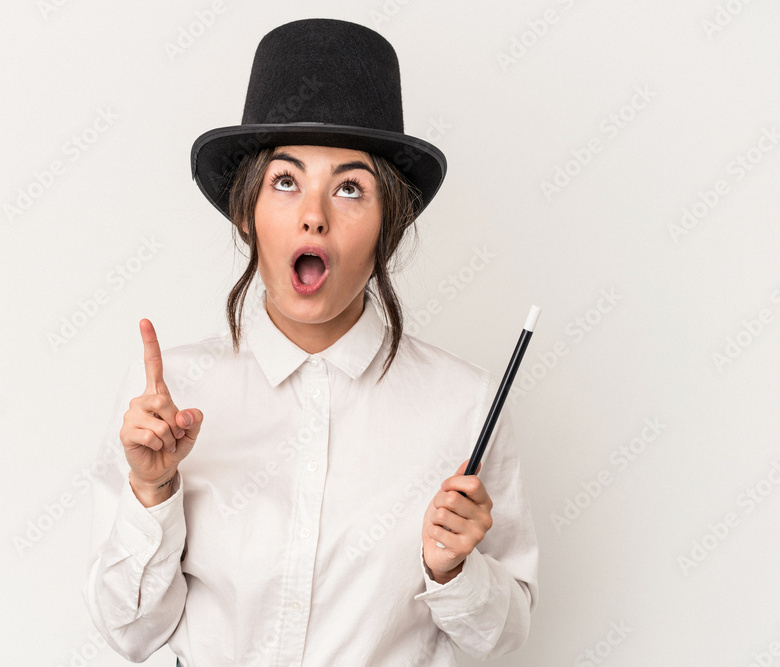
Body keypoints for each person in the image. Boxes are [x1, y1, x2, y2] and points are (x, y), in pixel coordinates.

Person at [83, 18, 538, 665]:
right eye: (286, 181)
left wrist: (454, 571)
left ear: (389, 223)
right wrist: (153, 490)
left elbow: (507, 638)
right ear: (247, 211)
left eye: (350, 187)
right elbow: (128, 632)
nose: (314, 213)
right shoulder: (169, 396)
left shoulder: (465, 405)